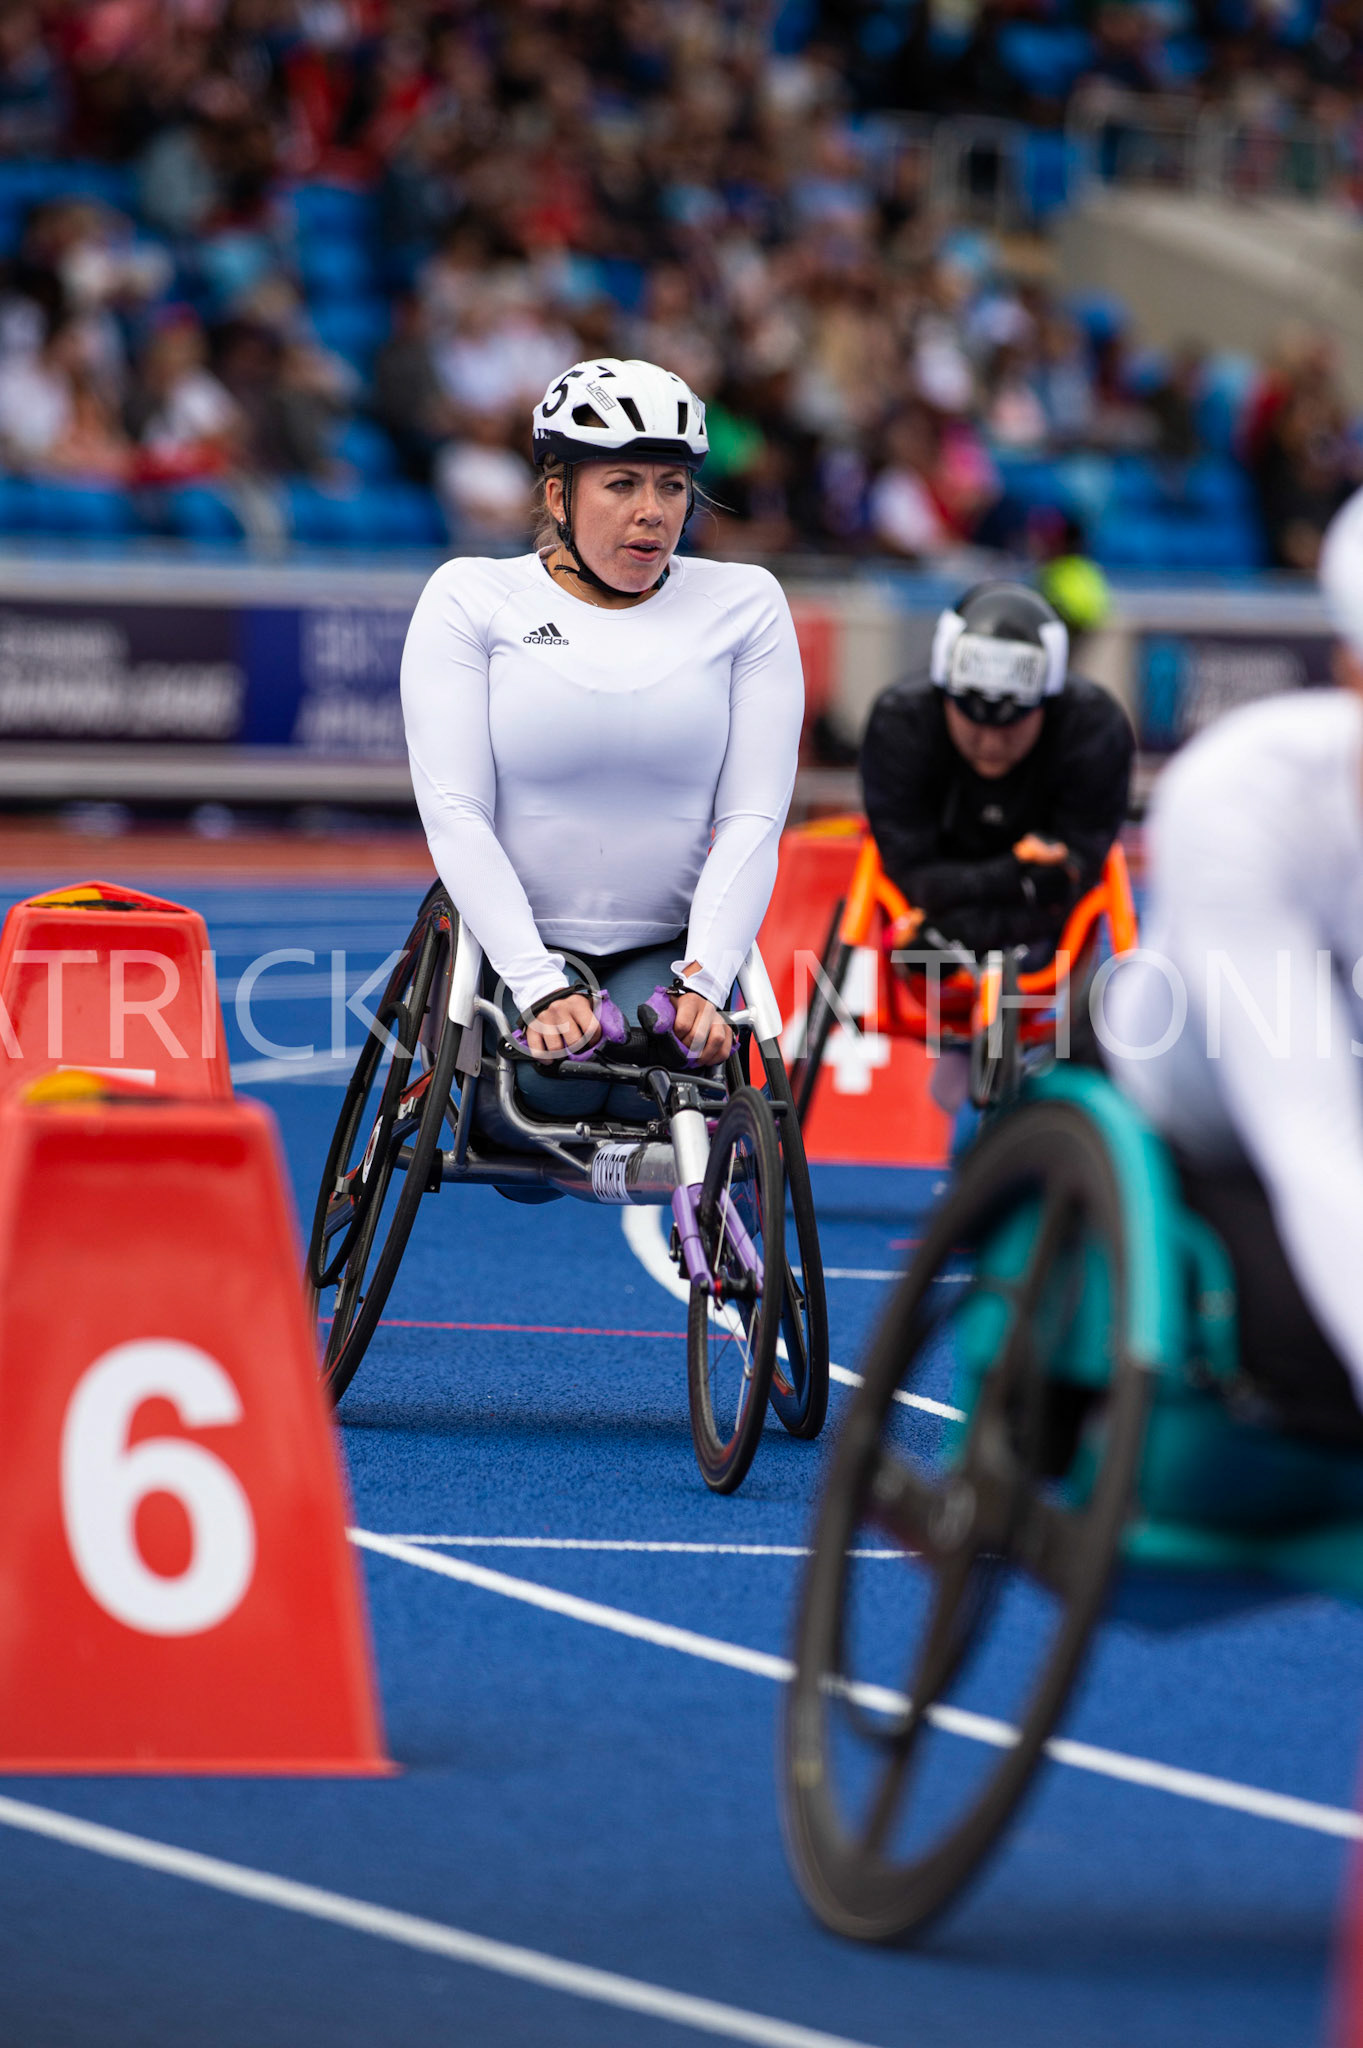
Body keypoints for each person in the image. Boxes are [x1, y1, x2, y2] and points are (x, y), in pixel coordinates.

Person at [399, 354, 804, 1148]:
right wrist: (538, 986)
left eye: (671, 486)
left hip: (664, 949)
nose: (651, 512)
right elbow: (454, 813)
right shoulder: (470, 597)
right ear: (558, 495)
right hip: (515, 943)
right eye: (621, 484)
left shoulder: (747, 604)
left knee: (667, 1084)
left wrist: (706, 980)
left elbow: (753, 818)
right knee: (542, 1092)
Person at [1103, 486, 1363, 1439]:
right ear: (1349, 673)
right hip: (1192, 1106)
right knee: (1300, 1349)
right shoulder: (1240, 793)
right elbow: (1312, 1140)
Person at [859, 581, 1134, 970]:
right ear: (944, 694)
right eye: (971, 718)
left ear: (1047, 701)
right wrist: (1016, 871)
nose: (990, 742)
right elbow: (911, 875)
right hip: (931, 920)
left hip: (1024, 936)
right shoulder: (901, 723)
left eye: (1011, 724)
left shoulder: (1093, 729)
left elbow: (1072, 883)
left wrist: (963, 930)